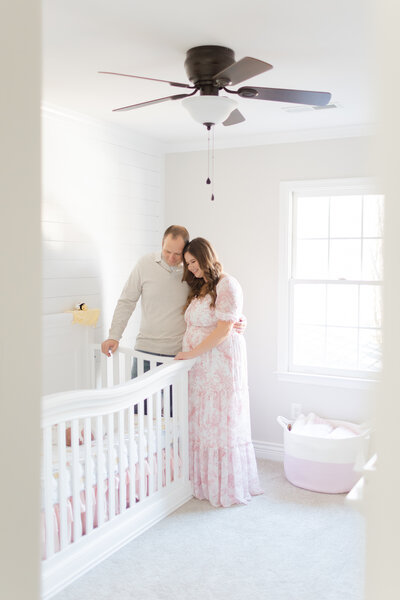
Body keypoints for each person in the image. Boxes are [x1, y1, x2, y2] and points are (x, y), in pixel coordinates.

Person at [175, 237, 262, 508]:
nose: (191, 268)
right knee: (203, 421)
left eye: (194, 262)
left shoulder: (227, 284)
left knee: (219, 422)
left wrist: (191, 353)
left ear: (206, 257)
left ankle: (223, 485)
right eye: (187, 264)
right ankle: (201, 481)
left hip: (219, 362)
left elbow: (224, 329)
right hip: (202, 365)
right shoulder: (201, 287)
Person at [101, 225, 246, 366]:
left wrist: (238, 319)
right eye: (167, 251)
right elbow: (127, 301)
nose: (171, 258)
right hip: (145, 349)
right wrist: (114, 336)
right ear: (162, 244)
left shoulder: (193, 272)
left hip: (178, 353)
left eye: (177, 254)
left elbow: (216, 298)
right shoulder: (144, 264)